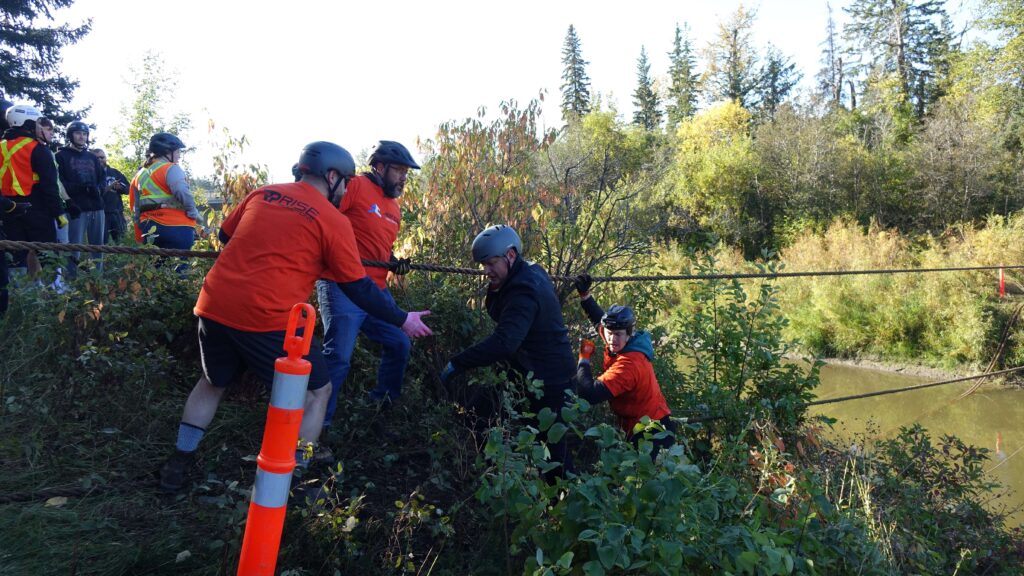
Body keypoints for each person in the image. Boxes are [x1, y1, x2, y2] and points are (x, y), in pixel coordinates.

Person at [157, 141, 434, 494]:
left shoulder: (264, 193)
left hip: (213, 305)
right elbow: (358, 288)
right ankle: (297, 476)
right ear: (332, 176)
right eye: (346, 182)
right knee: (317, 390)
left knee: (212, 382)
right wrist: (401, 319)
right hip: (265, 315)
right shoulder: (332, 219)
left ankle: (178, 464)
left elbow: (226, 235)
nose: (348, 189)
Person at [440, 224, 577, 478]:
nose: (486, 271)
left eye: (491, 263)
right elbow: (500, 314)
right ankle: (497, 476)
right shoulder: (528, 272)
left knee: (554, 456)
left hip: (551, 381)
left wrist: (457, 363)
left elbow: (504, 342)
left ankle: (569, 507)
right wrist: (495, 284)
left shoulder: (523, 290)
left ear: (511, 255)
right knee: (481, 412)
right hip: (532, 372)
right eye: (484, 265)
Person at [315, 140, 419, 423]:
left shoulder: (394, 209)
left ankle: (382, 405)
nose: (403, 177)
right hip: (340, 285)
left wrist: (393, 260)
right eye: (398, 170)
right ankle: (318, 427)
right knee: (338, 357)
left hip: (375, 290)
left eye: (406, 172)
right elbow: (325, 219)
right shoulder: (356, 187)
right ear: (380, 166)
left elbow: (376, 245)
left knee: (399, 342)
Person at [573, 274, 675, 457]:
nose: (611, 339)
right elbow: (599, 320)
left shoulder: (629, 365)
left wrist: (584, 358)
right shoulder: (621, 341)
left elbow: (588, 393)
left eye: (618, 334)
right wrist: (585, 295)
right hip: (640, 425)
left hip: (652, 432)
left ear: (629, 334)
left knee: (645, 483)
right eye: (609, 333)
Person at [0, 104, 63, 279]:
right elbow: (49, 185)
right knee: (48, 253)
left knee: (15, 256)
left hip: (8, 209)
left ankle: (18, 296)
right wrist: (58, 212)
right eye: (36, 123)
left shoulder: (1, 146)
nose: (38, 127)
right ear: (27, 123)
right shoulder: (37, 148)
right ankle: (56, 293)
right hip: (37, 208)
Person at [129, 133, 200, 270]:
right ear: (167, 151)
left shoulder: (139, 175)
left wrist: (139, 236)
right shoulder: (170, 168)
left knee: (156, 275)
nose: (179, 155)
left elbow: (135, 208)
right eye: (178, 151)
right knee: (179, 272)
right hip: (177, 229)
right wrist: (192, 211)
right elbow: (181, 191)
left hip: (148, 231)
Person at [56, 120, 106, 277]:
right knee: (73, 247)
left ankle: (98, 280)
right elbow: (59, 182)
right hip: (76, 208)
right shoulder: (61, 156)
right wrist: (80, 187)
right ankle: (71, 281)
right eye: (78, 133)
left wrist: (97, 188)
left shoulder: (92, 157)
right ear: (70, 135)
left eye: (85, 134)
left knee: (98, 247)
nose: (82, 137)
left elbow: (102, 178)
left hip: (97, 207)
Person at [91, 148, 130, 243]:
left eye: (102, 157)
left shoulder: (115, 172)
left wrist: (120, 187)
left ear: (105, 158)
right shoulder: (90, 174)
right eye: (97, 158)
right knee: (99, 243)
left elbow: (128, 189)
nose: (100, 159)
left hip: (116, 213)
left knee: (121, 242)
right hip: (98, 214)